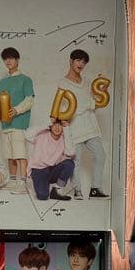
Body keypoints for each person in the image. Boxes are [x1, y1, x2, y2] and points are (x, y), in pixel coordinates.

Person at [56, 49, 108, 199]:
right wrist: (89, 104)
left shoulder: (87, 82)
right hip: (74, 127)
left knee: (101, 155)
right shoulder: (63, 83)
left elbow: (94, 104)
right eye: (78, 60)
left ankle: (95, 188)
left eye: (84, 62)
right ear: (71, 61)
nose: (81, 64)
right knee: (75, 161)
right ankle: (77, 190)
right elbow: (66, 107)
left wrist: (102, 92)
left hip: (90, 126)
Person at [0, 47, 34, 192]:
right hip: (5, 124)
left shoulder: (25, 80)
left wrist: (16, 110)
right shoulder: (2, 82)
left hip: (19, 123)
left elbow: (29, 100)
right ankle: (12, 181)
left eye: (11, 58)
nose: (8, 61)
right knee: (9, 155)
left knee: (20, 154)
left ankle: (23, 183)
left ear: (17, 60)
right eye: (5, 59)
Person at [27, 119, 77, 201]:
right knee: (42, 196)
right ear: (50, 125)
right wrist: (47, 123)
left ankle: (56, 190)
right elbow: (27, 135)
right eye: (54, 124)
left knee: (69, 164)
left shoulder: (64, 138)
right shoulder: (42, 134)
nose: (57, 127)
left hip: (52, 170)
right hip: (39, 170)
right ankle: (42, 184)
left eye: (60, 125)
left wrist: (67, 129)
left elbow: (70, 152)